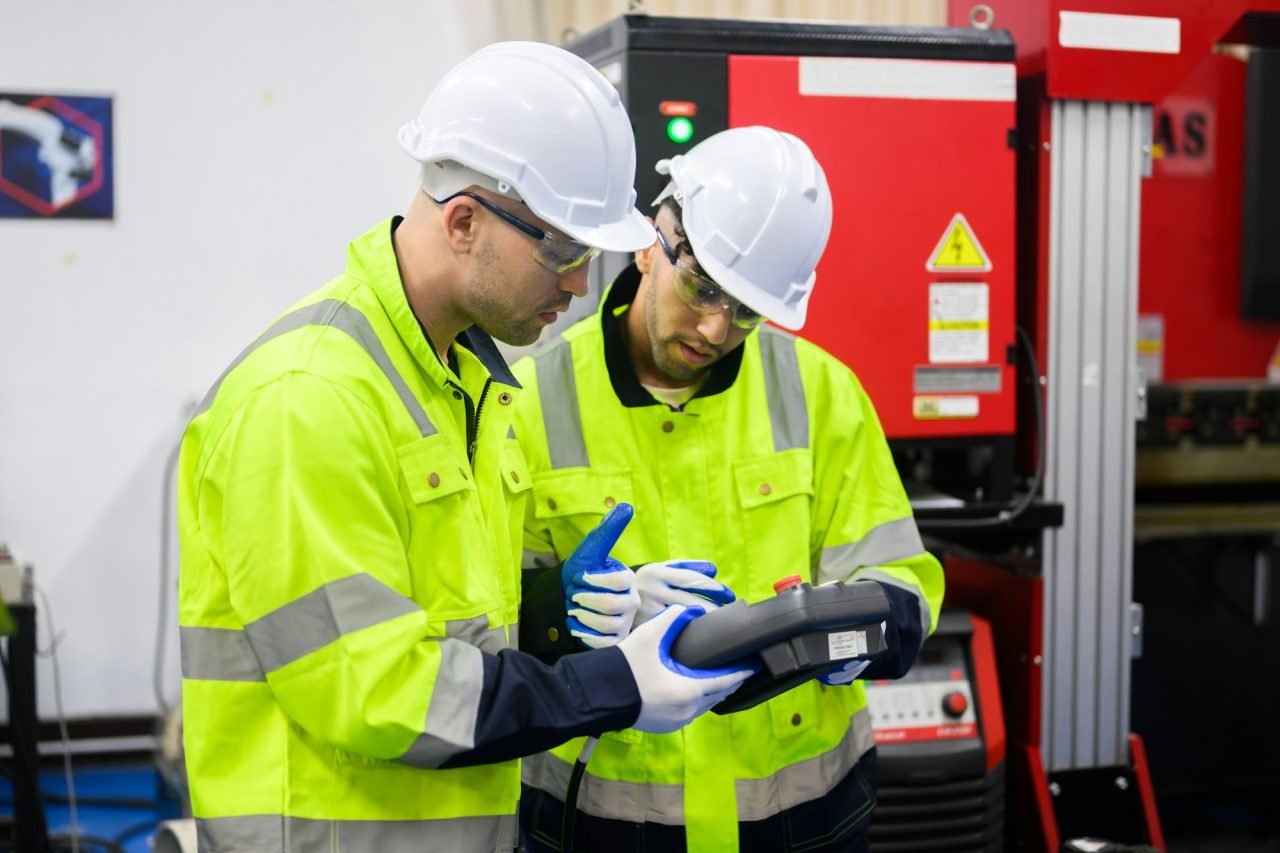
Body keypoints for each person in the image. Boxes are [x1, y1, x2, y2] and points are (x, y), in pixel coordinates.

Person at [176, 42, 752, 853]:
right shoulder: (308, 397)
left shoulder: (465, 383)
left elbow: (448, 617)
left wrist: (559, 609)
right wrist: (612, 684)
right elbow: (374, 684)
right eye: (563, 250)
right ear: (463, 220)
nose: (583, 283)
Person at [512, 126, 945, 852]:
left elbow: (906, 585)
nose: (716, 328)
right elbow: (481, 620)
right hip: (607, 825)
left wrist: (841, 635)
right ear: (655, 238)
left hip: (805, 818)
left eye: (746, 309)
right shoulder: (528, 399)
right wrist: (565, 610)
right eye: (703, 287)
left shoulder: (821, 393)